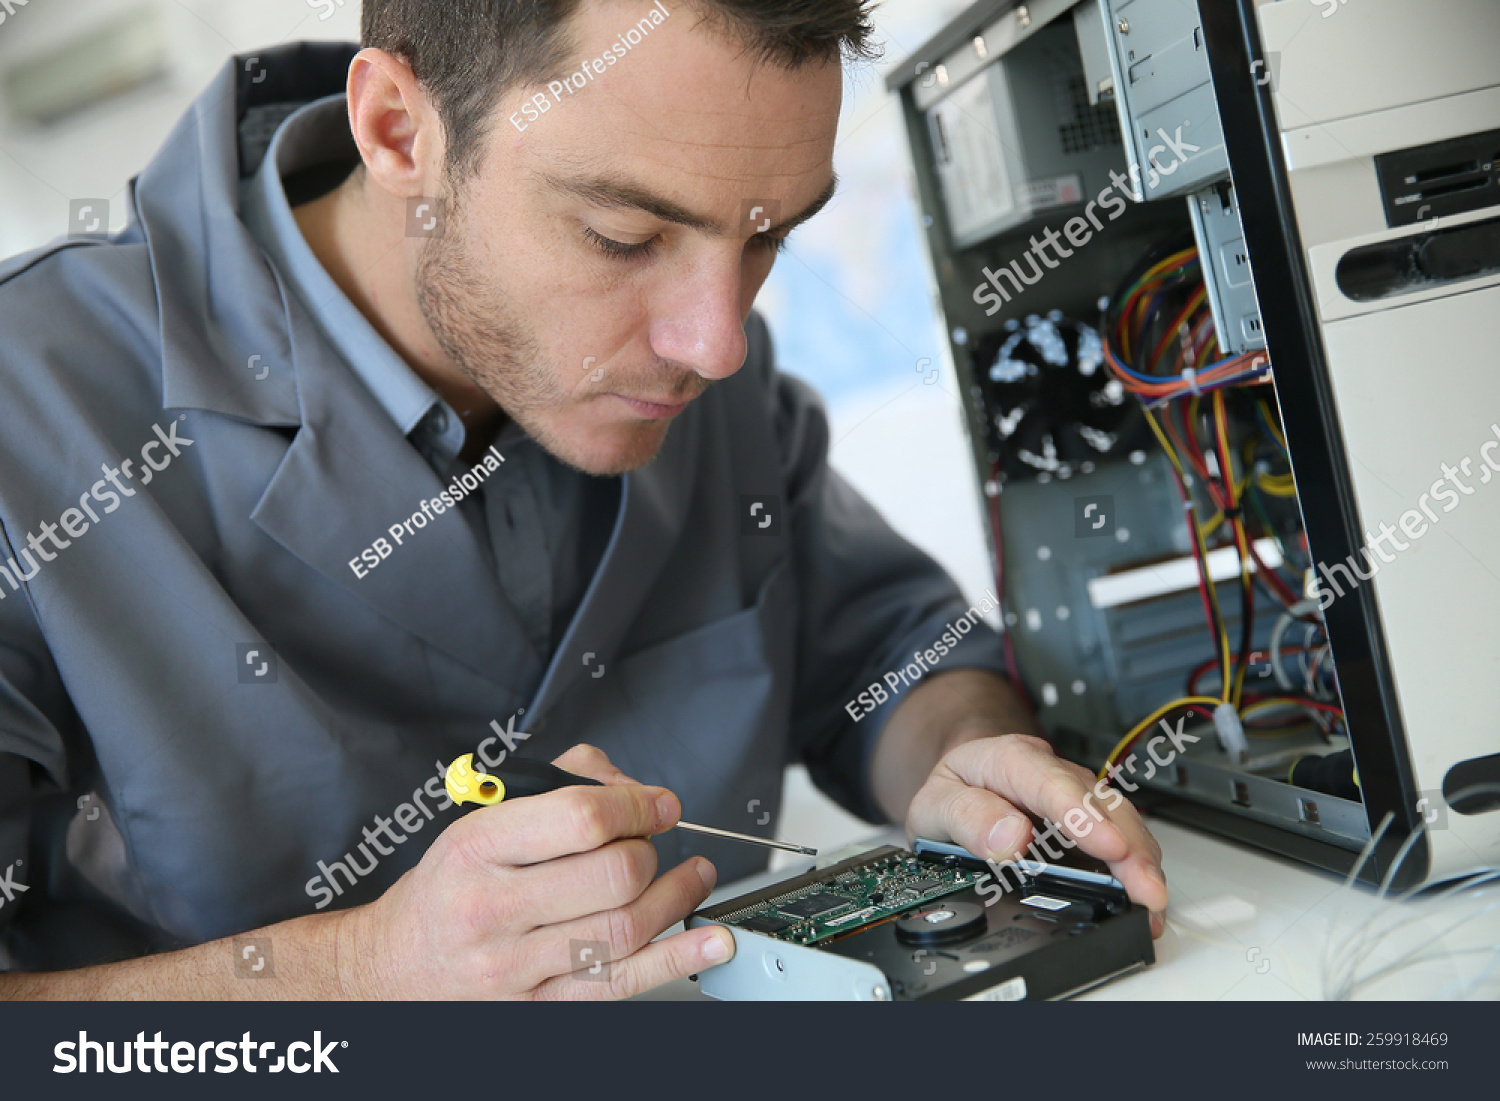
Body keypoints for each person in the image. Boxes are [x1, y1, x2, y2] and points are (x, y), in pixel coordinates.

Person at [0, 0, 1166, 999]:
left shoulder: (702, 370)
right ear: (398, 132)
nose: (715, 343)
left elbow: (896, 659)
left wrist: (964, 761)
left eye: (769, 241)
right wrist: (362, 972)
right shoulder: (30, 406)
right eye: (624, 235)